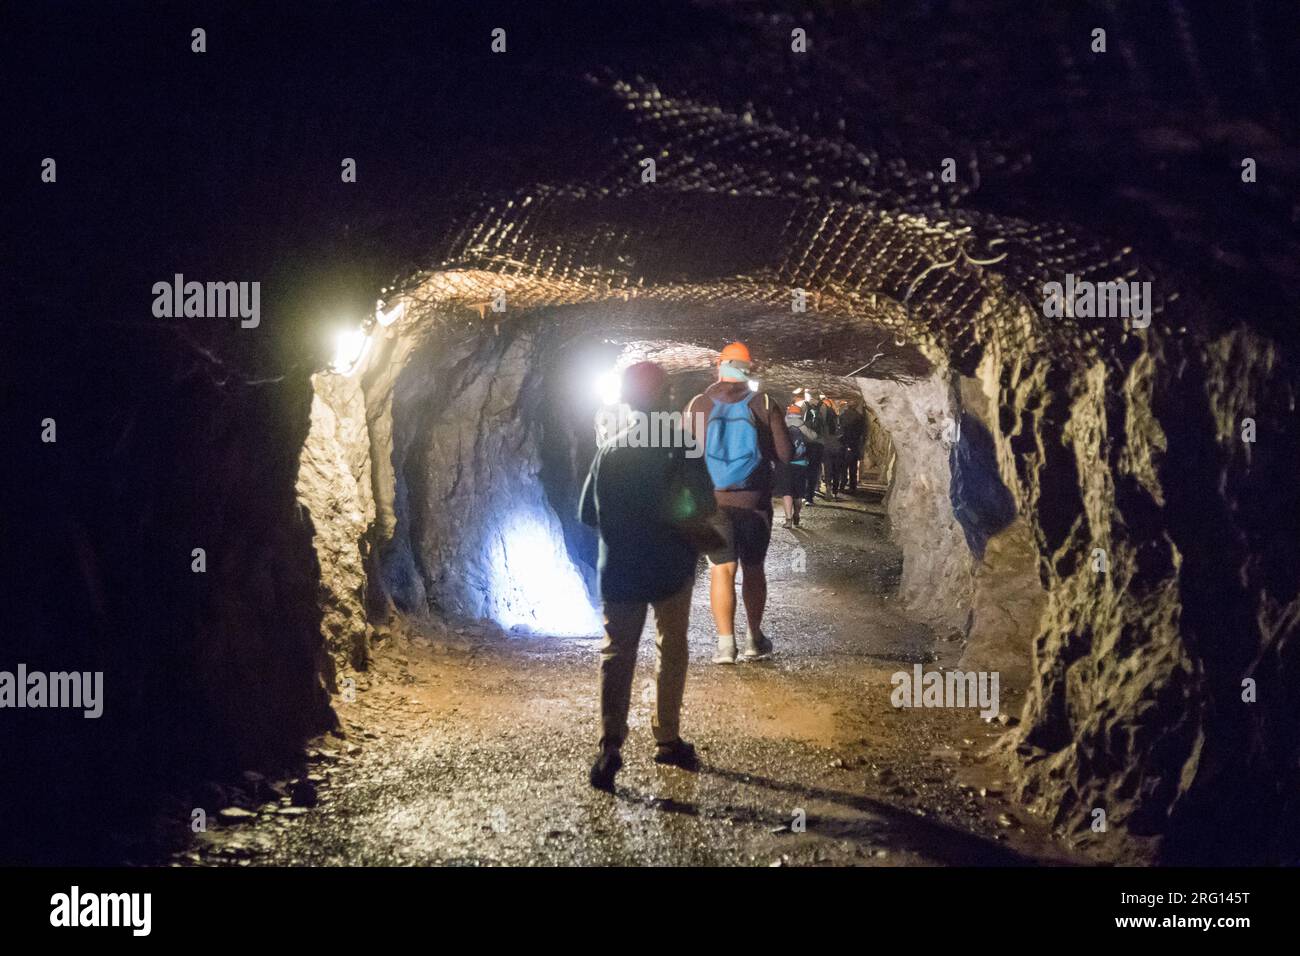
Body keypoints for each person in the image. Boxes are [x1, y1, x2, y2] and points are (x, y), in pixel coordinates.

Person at [580, 361, 715, 790]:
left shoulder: (609, 450)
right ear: (665, 395)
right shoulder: (681, 445)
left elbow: (586, 514)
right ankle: (667, 737)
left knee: (617, 651)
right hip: (670, 566)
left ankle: (610, 746)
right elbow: (702, 506)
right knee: (670, 645)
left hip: (619, 568)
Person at [686, 342, 792, 664]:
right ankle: (753, 639)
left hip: (713, 503)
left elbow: (683, 455)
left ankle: (725, 645)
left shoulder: (697, 404)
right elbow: (787, 454)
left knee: (722, 569)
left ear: (719, 366)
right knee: (754, 568)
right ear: (749, 368)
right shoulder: (764, 402)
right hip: (754, 505)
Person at [775, 406, 814, 527]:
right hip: (800, 463)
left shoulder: (781, 426)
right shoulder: (803, 427)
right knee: (798, 493)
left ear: (787, 414)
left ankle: (788, 520)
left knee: (787, 491)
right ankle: (796, 514)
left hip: (785, 464)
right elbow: (814, 437)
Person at [799, 389, 825, 506]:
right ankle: (810, 496)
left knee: (804, 469)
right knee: (814, 470)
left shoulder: (802, 406)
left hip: (805, 443)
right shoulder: (824, 408)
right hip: (818, 443)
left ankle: (804, 494)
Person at [838, 401, 866, 493]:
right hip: (854, 444)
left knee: (843, 466)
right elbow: (863, 432)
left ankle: (842, 484)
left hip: (844, 444)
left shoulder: (842, 416)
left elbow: (839, 431)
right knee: (853, 466)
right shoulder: (859, 417)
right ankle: (852, 486)